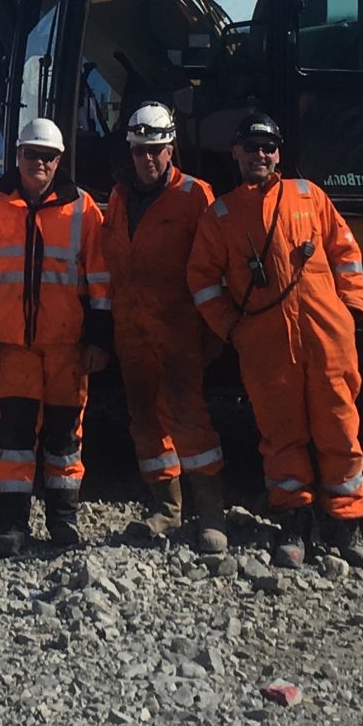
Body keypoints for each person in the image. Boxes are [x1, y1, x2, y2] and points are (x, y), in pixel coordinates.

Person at [186, 113, 363, 572]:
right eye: (251, 146)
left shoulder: (308, 196)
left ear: (279, 153)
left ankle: (347, 525)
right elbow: (202, 278)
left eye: (268, 147)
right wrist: (231, 328)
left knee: (340, 427)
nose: (260, 154)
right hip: (266, 343)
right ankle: (294, 524)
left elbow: (345, 252)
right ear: (236, 152)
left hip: (328, 337)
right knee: (281, 434)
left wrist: (350, 310)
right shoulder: (221, 215)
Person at [0, 117, 110, 554]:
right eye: (32, 154)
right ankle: (12, 524)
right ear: (18, 156)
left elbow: (101, 280)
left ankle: (63, 521)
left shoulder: (83, 209)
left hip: (68, 346)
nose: (39, 163)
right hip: (14, 346)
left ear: (59, 161)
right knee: (14, 438)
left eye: (47, 156)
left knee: (65, 436)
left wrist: (99, 339)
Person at [97, 102, 224, 545]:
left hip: (178, 329)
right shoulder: (118, 197)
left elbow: (215, 265)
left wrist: (213, 329)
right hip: (131, 330)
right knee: (144, 418)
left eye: (156, 149)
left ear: (171, 149)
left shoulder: (196, 196)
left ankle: (211, 515)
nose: (148, 158)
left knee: (188, 416)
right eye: (139, 150)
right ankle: (166, 509)